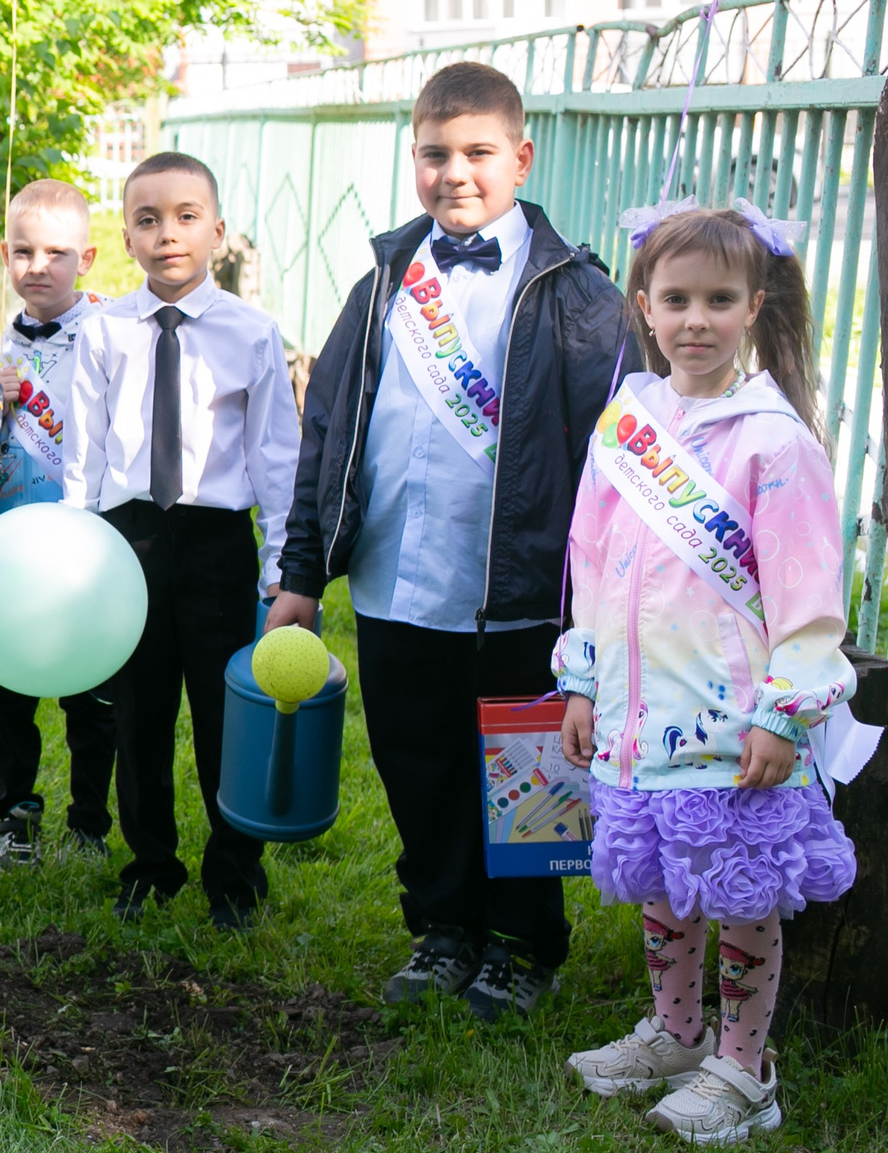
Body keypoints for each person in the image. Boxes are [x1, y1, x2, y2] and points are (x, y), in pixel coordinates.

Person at [270, 61, 632, 1020]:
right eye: (435, 154)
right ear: (413, 159)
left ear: (521, 156)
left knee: (523, 767)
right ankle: (443, 928)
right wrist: (302, 571)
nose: (454, 173)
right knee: (417, 760)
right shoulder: (384, 282)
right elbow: (331, 430)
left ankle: (523, 942)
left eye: (477, 153)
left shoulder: (576, 295)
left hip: (516, 590)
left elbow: (614, 453)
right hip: (397, 582)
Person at [554, 200, 858, 1143]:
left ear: (754, 306)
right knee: (662, 884)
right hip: (640, 720)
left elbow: (808, 596)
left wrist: (785, 710)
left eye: (718, 300)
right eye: (676, 298)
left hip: (735, 728)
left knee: (741, 894)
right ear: (643, 304)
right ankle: (678, 1033)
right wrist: (583, 677)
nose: (695, 320)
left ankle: (745, 1066)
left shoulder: (775, 442)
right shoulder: (627, 425)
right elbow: (590, 564)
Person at [62, 153, 298, 928]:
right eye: (148, 218)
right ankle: (149, 862)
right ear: (126, 235)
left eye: (187, 216)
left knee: (225, 715)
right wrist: (76, 555)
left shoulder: (252, 334)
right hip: (129, 542)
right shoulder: (102, 332)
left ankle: (234, 872)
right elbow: (85, 457)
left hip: (217, 544)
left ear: (218, 231)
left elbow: (275, 461)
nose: (168, 233)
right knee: (139, 711)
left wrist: (279, 570)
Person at [0, 177, 118, 872]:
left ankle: (90, 823)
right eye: (25, 251)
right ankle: (13, 815)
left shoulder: (116, 337)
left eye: (57, 252)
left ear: (87, 257)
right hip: (9, 548)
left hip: (87, 548)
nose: (39, 266)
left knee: (93, 692)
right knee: (8, 688)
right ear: (6, 254)